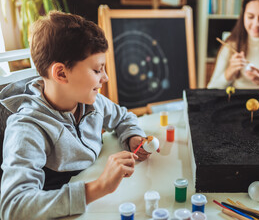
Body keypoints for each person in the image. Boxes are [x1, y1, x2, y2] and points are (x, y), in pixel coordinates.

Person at [0, 11, 151, 219]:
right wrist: (99, 186)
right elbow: (14, 208)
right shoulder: (27, 128)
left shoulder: (90, 100)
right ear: (61, 73)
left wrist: (132, 136)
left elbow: (123, 117)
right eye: (97, 70)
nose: (105, 77)